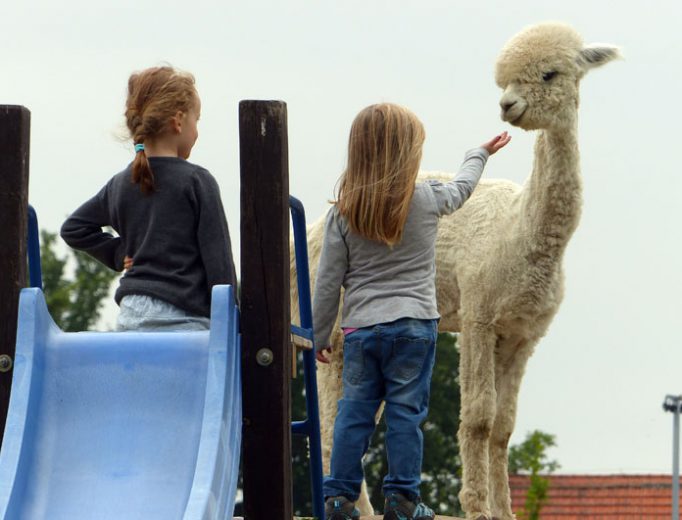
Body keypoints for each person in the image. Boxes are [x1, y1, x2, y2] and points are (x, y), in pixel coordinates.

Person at [312, 103, 511, 520]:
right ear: (409, 155)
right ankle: (403, 501)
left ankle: (337, 498)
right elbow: (462, 189)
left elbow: (328, 282)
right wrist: (479, 154)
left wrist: (317, 335)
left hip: (361, 331)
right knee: (406, 415)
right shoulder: (425, 199)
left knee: (354, 413)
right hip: (415, 329)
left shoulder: (343, 213)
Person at [61, 66, 237, 331]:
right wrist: (236, 324)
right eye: (196, 120)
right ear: (178, 121)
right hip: (183, 319)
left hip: (130, 316)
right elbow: (219, 266)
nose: (197, 131)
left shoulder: (120, 183)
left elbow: (74, 228)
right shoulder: (197, 181)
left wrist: (119, 252)